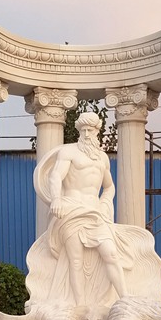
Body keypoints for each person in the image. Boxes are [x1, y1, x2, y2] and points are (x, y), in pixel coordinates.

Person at [40, 112, 128, 304]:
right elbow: (55, 176)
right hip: (71, 210)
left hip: (95, 213)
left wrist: (105, 203)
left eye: (91, 130)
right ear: (79, 131)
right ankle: (80, 307)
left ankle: (126, 300)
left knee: (111, 253)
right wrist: (56, 199)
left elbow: (109, 186)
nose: (87, 134)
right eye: (83, 130)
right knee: (76, 260)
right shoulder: (68, 152)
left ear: (98, 131)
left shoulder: (103, 158)